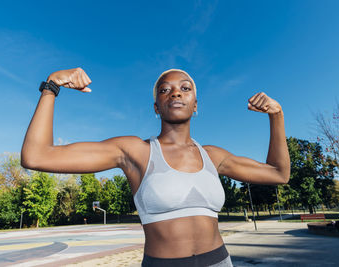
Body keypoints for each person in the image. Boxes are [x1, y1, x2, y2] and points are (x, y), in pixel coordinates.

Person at [21, 67, 290, 267]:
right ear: (156, 107)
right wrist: (52, 85)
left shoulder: (213, 156)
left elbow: (279, 173)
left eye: (185, 88)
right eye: (165, 89)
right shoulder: (135, 151)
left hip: (220, 261)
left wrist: (276, 115)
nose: (175, 92)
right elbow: (37, 156)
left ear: (195, 105)